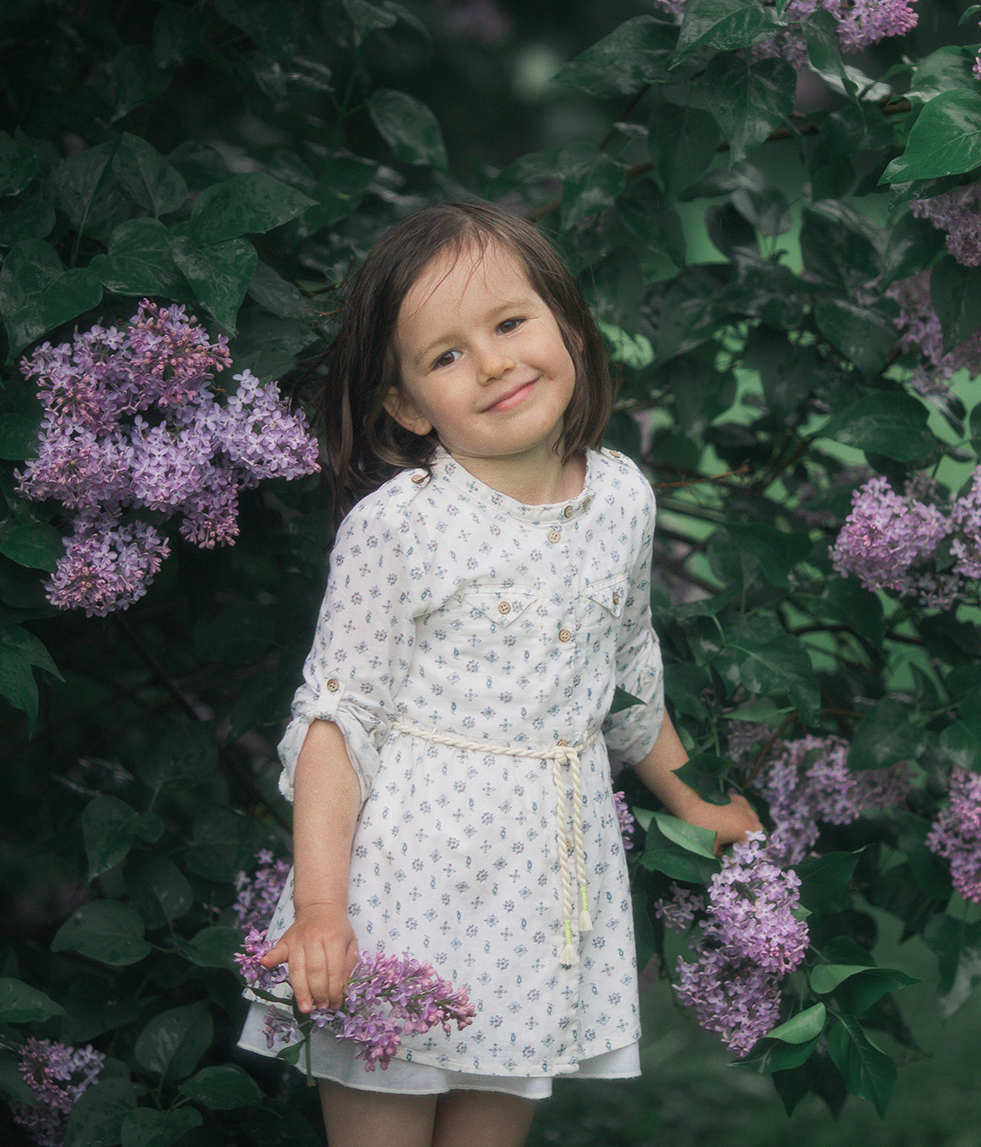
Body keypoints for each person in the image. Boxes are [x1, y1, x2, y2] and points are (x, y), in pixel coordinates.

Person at [235, 201, 762, 1147]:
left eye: (510, 323)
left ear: (565, 320)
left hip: (538, 896)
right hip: (401, 890)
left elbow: (627, 675)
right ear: (404, 404)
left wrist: (695, 802)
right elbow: (337, 722)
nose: (492, 362)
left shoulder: (621, 498)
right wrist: (320, 912)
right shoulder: (403, 526)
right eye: (445, 355)